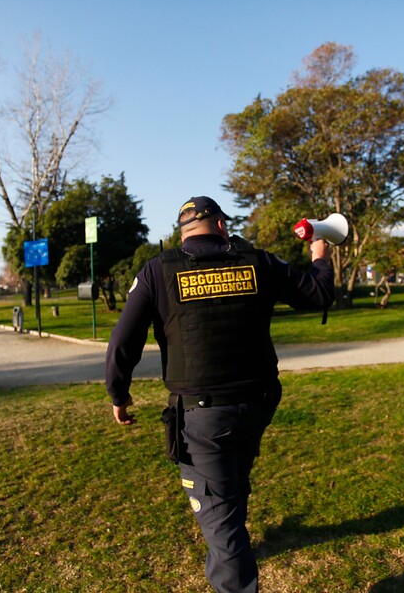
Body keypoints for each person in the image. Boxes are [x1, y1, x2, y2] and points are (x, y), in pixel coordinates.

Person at [105, 196, 335, 592]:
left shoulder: (158, 270)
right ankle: (231, 531)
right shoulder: (259, 261)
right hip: (257, 405)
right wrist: (319, 255)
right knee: (230, 484)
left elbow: (122, 343)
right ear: (222, 226)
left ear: (183, 233)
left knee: (220, 519)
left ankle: (234, 570)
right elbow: (317, 294)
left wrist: (118, 394)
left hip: (202, 416)